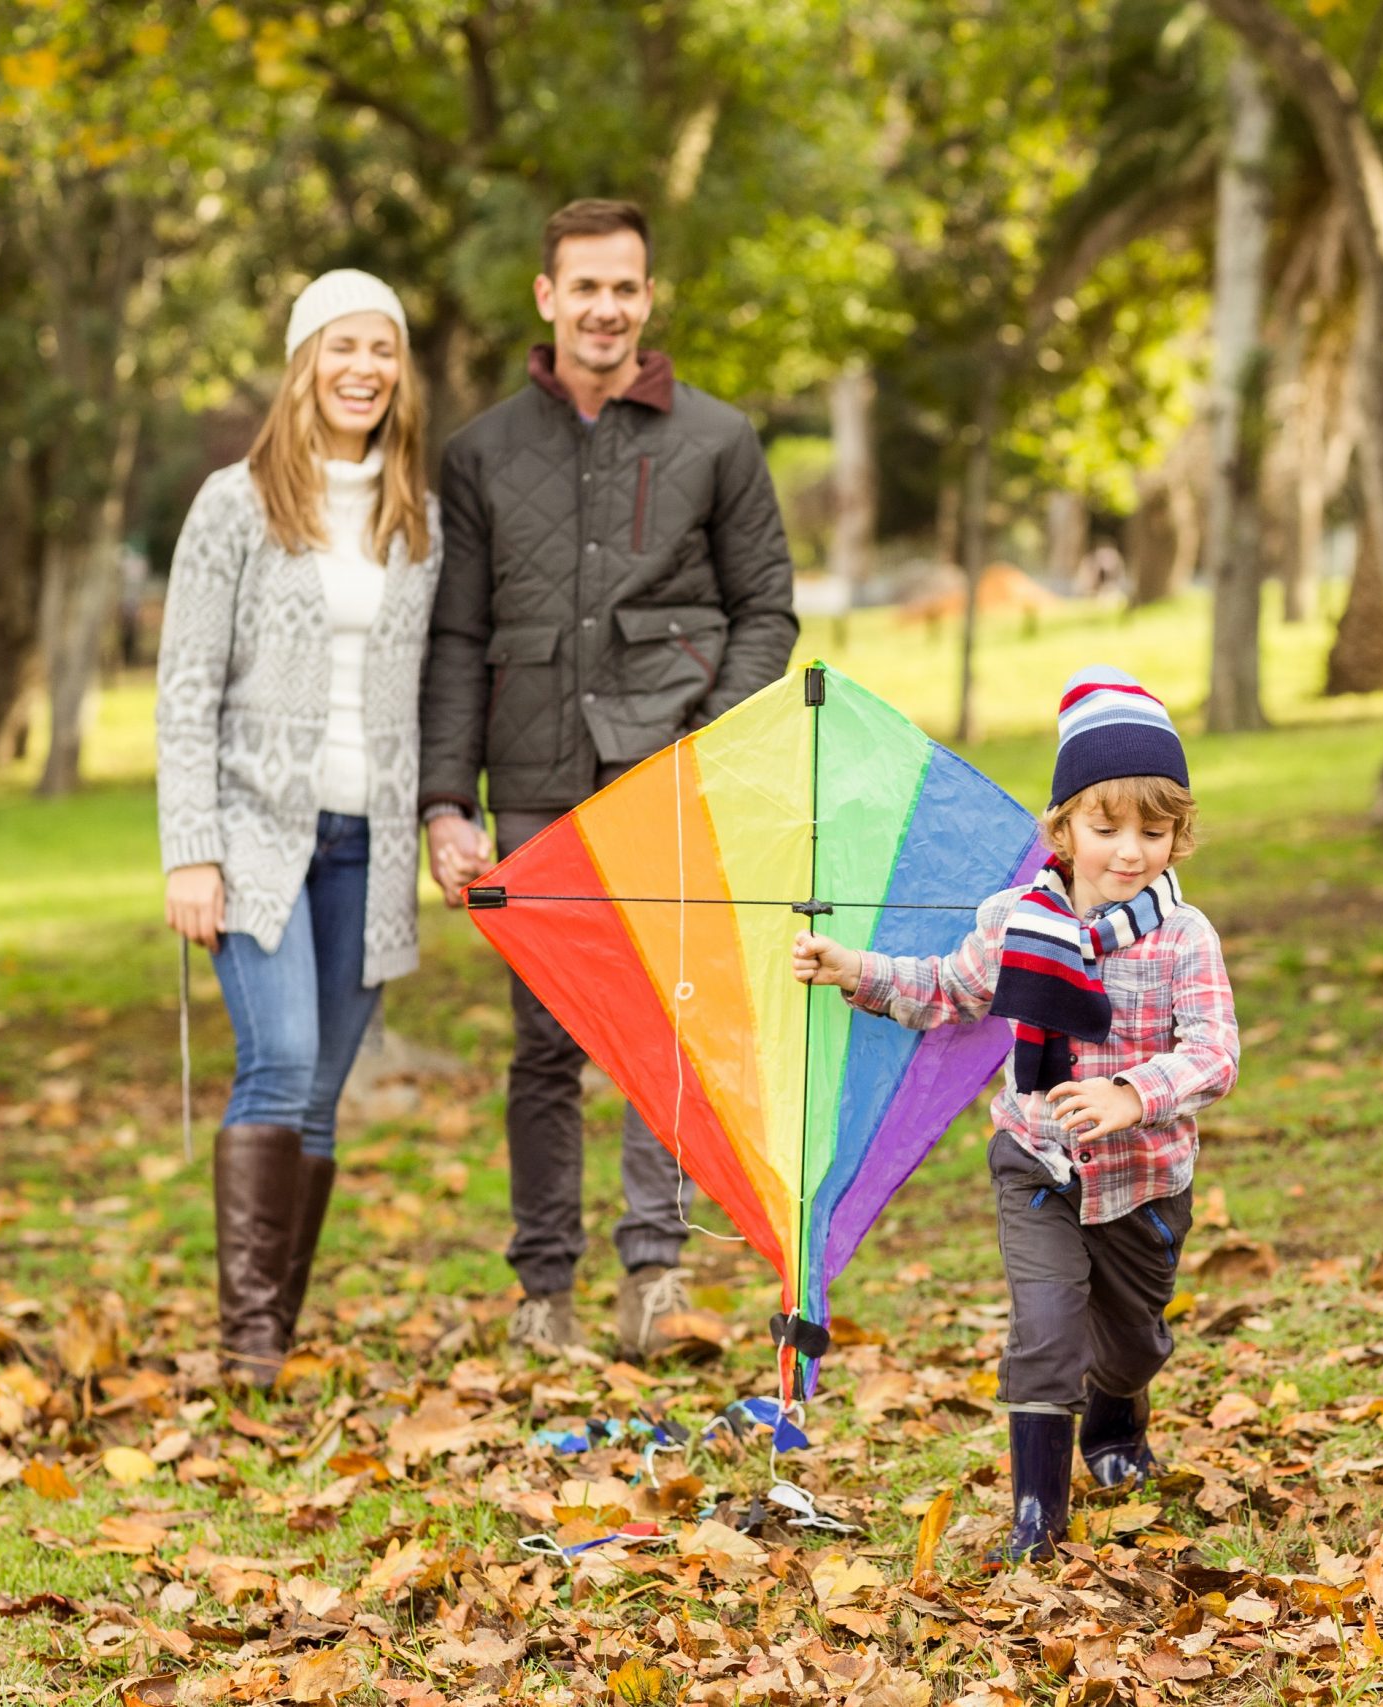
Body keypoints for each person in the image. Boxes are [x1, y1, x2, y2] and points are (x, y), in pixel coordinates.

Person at [418, 198, 797, 1357]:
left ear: (648, 299)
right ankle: (543, 1295)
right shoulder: (482, 453)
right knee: (544, 1045)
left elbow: (765, 611)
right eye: (584, 286)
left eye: (624, 288)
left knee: (658, 1032)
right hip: (529, 778)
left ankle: (656, 1282)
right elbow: (453, 636)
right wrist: (444, 802)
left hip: (661, 782)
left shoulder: (718, 441)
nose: (605, 308)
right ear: (546, 297)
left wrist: (705, 745)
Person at [794, 668, 1239, 1564]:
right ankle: (1038, 1517)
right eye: (1106, 827)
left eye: (1154, 831)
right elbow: (951, 991)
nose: (1130, 851)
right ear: (1062, 828)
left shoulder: (1184, 936)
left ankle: (1116, 1418)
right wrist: (857, 970)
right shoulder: (1013, 921)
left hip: (1146, 1183)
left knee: (1130, 1344)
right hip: (1035, 1163)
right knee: (1045, 1329)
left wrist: (1130, 1095)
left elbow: (1216, 1052)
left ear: (1178, 835)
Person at [157, 269, 441, 1386]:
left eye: (382, 349)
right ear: (303, 363)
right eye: (341, 347)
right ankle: (248, 1342)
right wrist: (191, 848)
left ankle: (271, 1329)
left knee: (322, 1090)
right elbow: (184, 689)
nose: (363, 368)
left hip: (366, 845)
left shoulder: (414, 518)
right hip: (256, 834)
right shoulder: (234, 504)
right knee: (274, 1059)